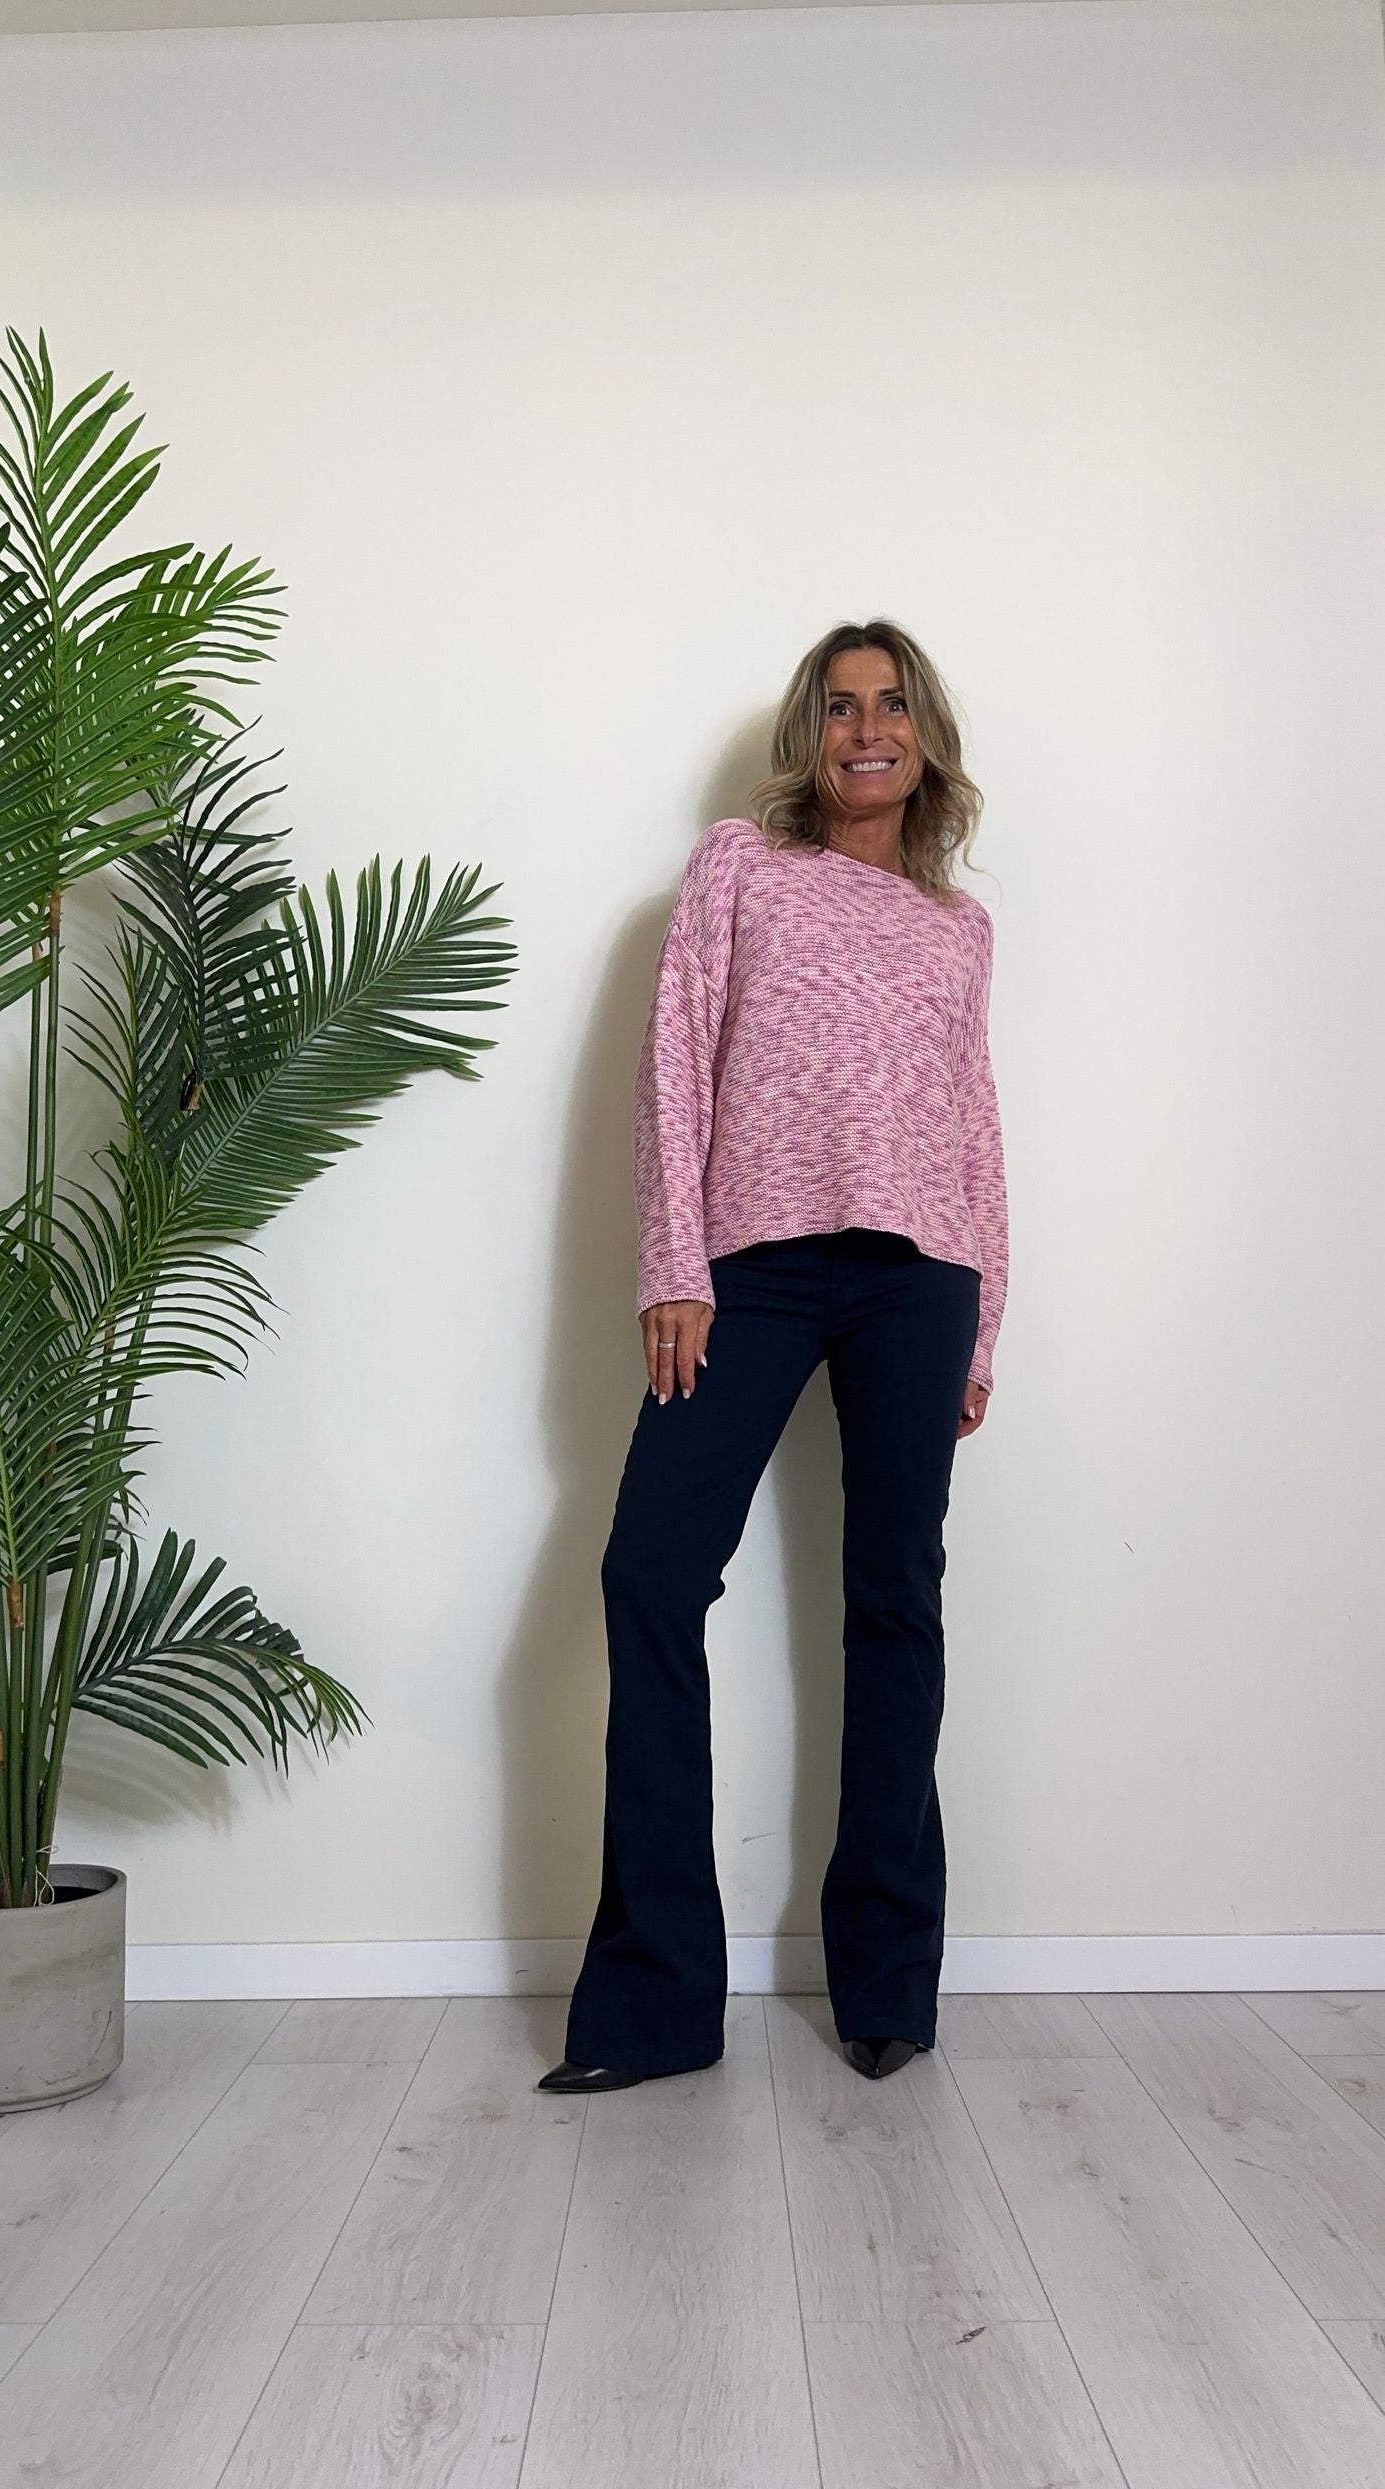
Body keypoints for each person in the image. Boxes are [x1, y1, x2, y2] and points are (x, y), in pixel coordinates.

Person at [539, 617, 1008, 2095]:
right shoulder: (741, 866)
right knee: (649, 1572)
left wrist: (984, 1323)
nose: (868, 729)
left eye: (894, 706)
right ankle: (657, 2003)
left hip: (918, 1280)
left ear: (925, 738)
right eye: (841, 706)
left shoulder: (958, 926)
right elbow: (675, 1063)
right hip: (753, 1269)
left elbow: (973, 1121)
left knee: (896, 1604)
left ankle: (887, 1984)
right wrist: (674, 1266)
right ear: (812, 735)